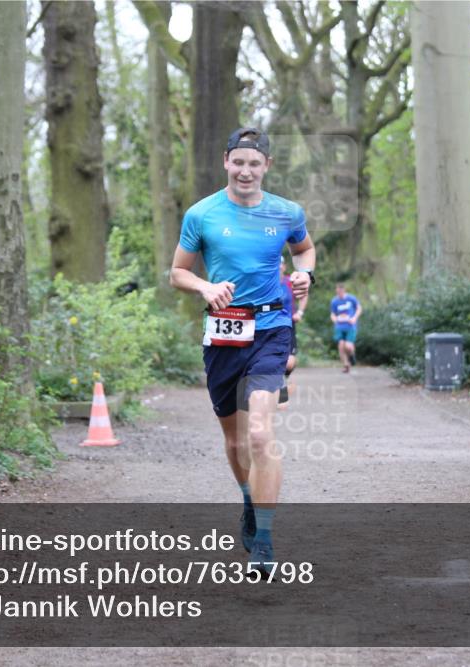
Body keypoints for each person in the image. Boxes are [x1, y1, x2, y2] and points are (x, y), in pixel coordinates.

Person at [170, 127, 315, 571]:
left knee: (259, 433)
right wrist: (204, 285)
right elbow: (177, 272)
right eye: (239, 162)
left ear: (267, 166)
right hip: (223, 336)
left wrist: (305, 273)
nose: (246, 171)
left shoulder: (287, 212)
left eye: (255, 163)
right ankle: (249, 500)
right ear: (226, 162)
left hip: (271, 329)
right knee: (234, 440)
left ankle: (266, 541)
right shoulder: (202, 214)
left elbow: (304, 251)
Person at [278, 255, 308, 405]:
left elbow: (304, 294)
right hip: (267, 326)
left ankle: (283, 379)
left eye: (280, 264)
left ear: (284, 266)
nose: (278, 267)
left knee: (289, 363)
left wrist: (300, 312)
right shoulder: (265, 282)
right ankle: (279, 391)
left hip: (288, 325)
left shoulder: (290, 282)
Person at [330, 283, 361, 373]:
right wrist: (334, 319)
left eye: (340, 291)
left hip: (350, 326)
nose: (339, 293)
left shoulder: (351, 298)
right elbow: (332, 313)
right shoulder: (334, 301)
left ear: (344, 290)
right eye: (337, 291)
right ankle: (346, 365)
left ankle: (352, 356)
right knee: (341, 345)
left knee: (348, 346)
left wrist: (354, 318)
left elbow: (359, 308)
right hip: (340, 326)